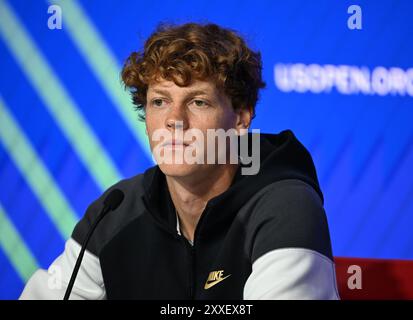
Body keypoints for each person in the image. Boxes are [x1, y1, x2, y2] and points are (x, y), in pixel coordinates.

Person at [20, 22, 339, 300]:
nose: (175, 120)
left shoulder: (284, 205)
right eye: (159, 101)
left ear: (241, 117)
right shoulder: (116, 213)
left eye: (198, 101)